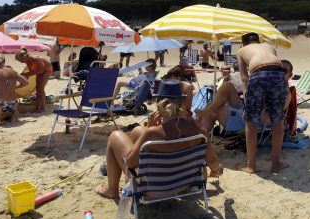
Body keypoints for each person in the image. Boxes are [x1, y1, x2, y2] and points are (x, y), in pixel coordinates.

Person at [94, 80, 223, 200]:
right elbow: (212, 161)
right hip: (183, 184)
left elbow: (130, 163)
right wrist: (217, 170)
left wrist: (149, 129)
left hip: (153, 189)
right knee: (137, 131)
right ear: (181, 102)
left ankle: (112, 190)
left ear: (159, 103)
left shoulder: (152, 133)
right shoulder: (196, 126)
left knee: (115, 135)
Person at [236, 32, 287, 174]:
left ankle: (251, 165)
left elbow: (244, 78)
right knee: (277, 120)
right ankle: (276, 164)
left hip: (258, 74)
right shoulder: (269, 46)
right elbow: (278, 66)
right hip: (278, 74)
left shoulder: (241, 51)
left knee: (251, 122)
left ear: (244, 43)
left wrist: (246, 99)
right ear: (258, 41)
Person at [196, 60, 293, 134]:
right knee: (228, 86)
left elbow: (270, 119)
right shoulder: (269, 85)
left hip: (252, 121)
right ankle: (206, 113)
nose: (280, 73)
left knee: (215, 109)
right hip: (246, 110)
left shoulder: (284, 93)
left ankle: (201, 138)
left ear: (290, 75)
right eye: (278, 70)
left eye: (284, 71)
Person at [15, 47, 52, 112]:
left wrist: (27, 74)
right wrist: (23, 78)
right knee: (38, 89)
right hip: (41, 70)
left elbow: (40, 71)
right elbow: (32, 71)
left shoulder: (36, 59)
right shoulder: (27, 61)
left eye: (20, 60)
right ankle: (37, 106)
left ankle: (43, 107)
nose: (21, 62)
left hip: (47, 70)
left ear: (25, 57)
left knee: (40, 88)